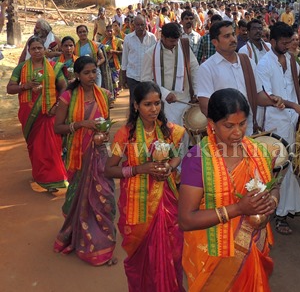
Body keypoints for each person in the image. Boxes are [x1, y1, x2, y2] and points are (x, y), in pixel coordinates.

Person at [179, 88, 279, 291]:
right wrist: (239, 209)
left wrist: (272, 202)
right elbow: (186, 220)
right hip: (211, 257)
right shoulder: (198, 159)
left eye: (242, 124)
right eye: (229, 126)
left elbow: (274, 185)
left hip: (252, 248)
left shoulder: (258, 151)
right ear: (212, 125)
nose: (238, 132)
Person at [105, 82, 186, 292]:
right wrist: (140, 169)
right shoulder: (125, 135)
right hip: (137, 204)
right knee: (142, 256)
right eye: (147, 104)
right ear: (135, 106)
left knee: (172, 250)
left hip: (167, 200)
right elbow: (109, 170)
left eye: (157, 103)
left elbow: (176, 157)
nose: (154, 109)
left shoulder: (169, 131)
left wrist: (169, 167)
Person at [53, 56, 116, 266]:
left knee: (104, 197)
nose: (92, 76)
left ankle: (102, 242)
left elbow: (105, 122)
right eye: (87, 73)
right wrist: (80, 124)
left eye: (94, 72)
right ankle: (79, 236)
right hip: (79, 156)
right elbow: (58, 127)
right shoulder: (68, 97)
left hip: (99, 153)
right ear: (77, 75)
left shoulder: (104, 95)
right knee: (80, 198)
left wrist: (103, 132)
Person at [256, 22, 300, 235]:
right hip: (273, 122)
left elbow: (296, 87)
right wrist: (294, 106)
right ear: (272, 42)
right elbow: (267, 98)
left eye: (290, 42)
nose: (289, 45)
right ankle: (279, 214)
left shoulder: (291, 59)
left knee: (287, 166)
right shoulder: (264, 64)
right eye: (284, 42)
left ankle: (280, 211)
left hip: (291, 120)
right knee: (279, 168)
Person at [196, 20, 282, 136]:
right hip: (223, 135)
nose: (233, 39)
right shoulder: (207, 68)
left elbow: (257, 95)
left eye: (233, 34)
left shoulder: (247, 62)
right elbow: (205, 106)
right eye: (227, 36)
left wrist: (272, 100)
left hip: (248, 130)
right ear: (215, 42)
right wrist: (227, 125)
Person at [6, 36, 68, 193]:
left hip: (50, 113)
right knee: (36, 148)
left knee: (52, 146)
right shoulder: (21, 68)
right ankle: (40, 175)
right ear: (29, 51)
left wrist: (57, 105)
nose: (37, 51)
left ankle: (53, 179)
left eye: (40, 48)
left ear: (44, 49)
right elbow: (10, 88)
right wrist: (25, 86)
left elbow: (63, 86)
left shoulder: (54, 67)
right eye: (33, 48)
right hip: (30, 115)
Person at [141, 22, 200, 137]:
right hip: (165, 104)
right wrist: (165, 94)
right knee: (170, 135)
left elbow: (195, 69)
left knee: (186, 136)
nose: (175, 44)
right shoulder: (150, 54)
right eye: (172, 41)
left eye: (176, 40)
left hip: (186, 100)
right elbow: (145, 81)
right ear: (162, 37)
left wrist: (197, 93)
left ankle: (184, 155)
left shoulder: (184, 48)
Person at [122, 15, 158, 101]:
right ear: (133, 25)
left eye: (142, 24)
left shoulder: (152, 38)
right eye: (137, 25)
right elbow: (124, 59)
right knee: (134, 103)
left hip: (148, 77)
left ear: (146, 25)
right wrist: (123, 78)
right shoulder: (128, 38)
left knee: (147, 102)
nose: (140, 27)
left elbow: (156, 57)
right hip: (133, 77)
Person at [102, 27, 123, 98]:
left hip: (115, 63)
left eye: (111, 31)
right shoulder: (102, 41)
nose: (109, 33)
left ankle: (114, 94)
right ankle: (111, 96)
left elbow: (123, 52)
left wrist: (114, 51)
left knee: (115, 80)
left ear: (113, 31)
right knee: (108, 79)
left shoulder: (117, 41)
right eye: (108, 31)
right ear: (105, 32)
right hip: (106, 63)